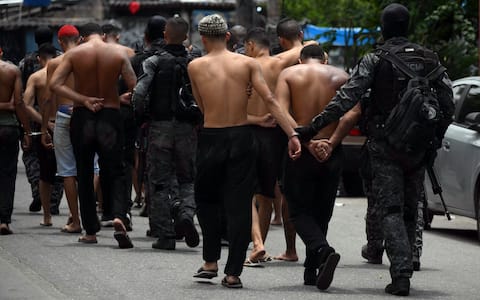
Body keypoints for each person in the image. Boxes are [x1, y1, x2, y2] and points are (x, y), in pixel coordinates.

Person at [295, 4, 454, 296]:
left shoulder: (375, 59)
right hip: (417, 150)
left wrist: (312, 127)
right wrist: (432, 139)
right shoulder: (431, 60)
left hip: (384, 147)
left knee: (391, 209)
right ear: (408, 27)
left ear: (383, 28)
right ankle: (406, 266)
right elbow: (448, 105)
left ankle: (401, 275)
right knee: (410, 208)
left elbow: (347, 98)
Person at [188, 14, 301, 289]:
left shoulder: (195, 66)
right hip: (241, 138)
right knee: (239, 204)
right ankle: (233, 273)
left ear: (202, 39)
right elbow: (271, 100)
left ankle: (210, 261)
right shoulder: (248, 63)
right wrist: (293, 134)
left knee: (206, 201)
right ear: (228, 37)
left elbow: (202, 107)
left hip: (212, 136)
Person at [50, 23, 137, 248]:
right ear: (105, 35)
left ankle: (90, 230)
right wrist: (120, 97)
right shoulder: (118, 53)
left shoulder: (75, 54)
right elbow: (135, 86)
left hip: (83, 118)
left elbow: (55, 84)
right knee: (116, 170)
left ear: (81, 38)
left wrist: (82, 99)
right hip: (110, 115)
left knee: (84, 172)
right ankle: (118, 215)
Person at [276, 44, 348, 290]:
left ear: (300, 59)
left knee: (297, 210)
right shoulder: (341, 76)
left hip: (300, 150)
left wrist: (304, 140)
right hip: (332, 151)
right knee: (322, 210)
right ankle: (311, 269)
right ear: (325, 59)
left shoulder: (289, 74)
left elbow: (280, 110)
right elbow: (352, 113)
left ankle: (322, 250)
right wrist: (330, 143)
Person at [242, 27, 315, 265]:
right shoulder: (279, 64)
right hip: (278, 134)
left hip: (252, 131)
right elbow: (302, 49)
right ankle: (270, 248)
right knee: (269, 196)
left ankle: (258, 244)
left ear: (251, 46)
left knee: (247, 192)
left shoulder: (245, 66)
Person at [132, 16, 200, 250]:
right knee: (188, 179)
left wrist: (140, 115)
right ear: (186, 36)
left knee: (159, 182)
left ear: (165, 34)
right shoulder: (196, 62)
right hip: (188, 129)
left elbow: (138, 95)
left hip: (159, 128)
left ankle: (165, 235)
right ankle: (186, 215)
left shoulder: (153, 61)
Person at [41, 24, 83, 233]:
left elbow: (48, 97)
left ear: (60, 41)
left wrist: (43, 126)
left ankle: (75, 219)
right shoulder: (88, 59)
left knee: (67, 170)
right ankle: (85, 213)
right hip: (84, 113)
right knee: (92, 168)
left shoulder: (55, 63)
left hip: (63, 115)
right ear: (80, 38)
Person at [19, 26, 64, 214]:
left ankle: (38, 191)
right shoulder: (62, 58)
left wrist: (24, 125)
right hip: (59, 114)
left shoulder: (25, 63)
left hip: (34, 114)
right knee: (60, 159)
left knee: (31, 156)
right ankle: (53, 200)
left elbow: (20, 95)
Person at [273, 17, 306, 263]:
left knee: (287, 192)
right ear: (302, 34)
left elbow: (278, 106)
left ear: (281, 40)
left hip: (289, 131)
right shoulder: (319, 55)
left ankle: (291, 249)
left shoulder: (280, 65)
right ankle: (317, 244)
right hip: (320, 129)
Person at [131, 15, 167, 217]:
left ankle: (151, 205)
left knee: (148, 165)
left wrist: (138, 117)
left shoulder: (139, 60)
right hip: (181, 122)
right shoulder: (185, 57)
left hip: (148, 122)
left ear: (146, 37)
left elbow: (135, 94)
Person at [101, 22, 136, 229]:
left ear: (103, 36)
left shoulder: (97, 56)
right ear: (119, 36)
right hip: (127, 112)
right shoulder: (129, 53)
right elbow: (136, 86)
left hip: (105, 112)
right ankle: (124, 209)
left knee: (107, 162)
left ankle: (109, 211)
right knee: (127, 162)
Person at [23, 43, 58, 227]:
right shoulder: (67, 73)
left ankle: (47, 216)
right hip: (68, 123)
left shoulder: (36, 77)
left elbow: (25, 104)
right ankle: (75, 216)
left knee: (45, 174)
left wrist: (46, 124)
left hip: (46, 124)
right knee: (72, 172)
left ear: (39, 58)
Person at [0, 45, 32, 234]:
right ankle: (3, 220)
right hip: (8, 128)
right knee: (7, 173)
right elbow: (18, 103)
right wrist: (27, 131)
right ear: (1, 51)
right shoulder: (12, 71)